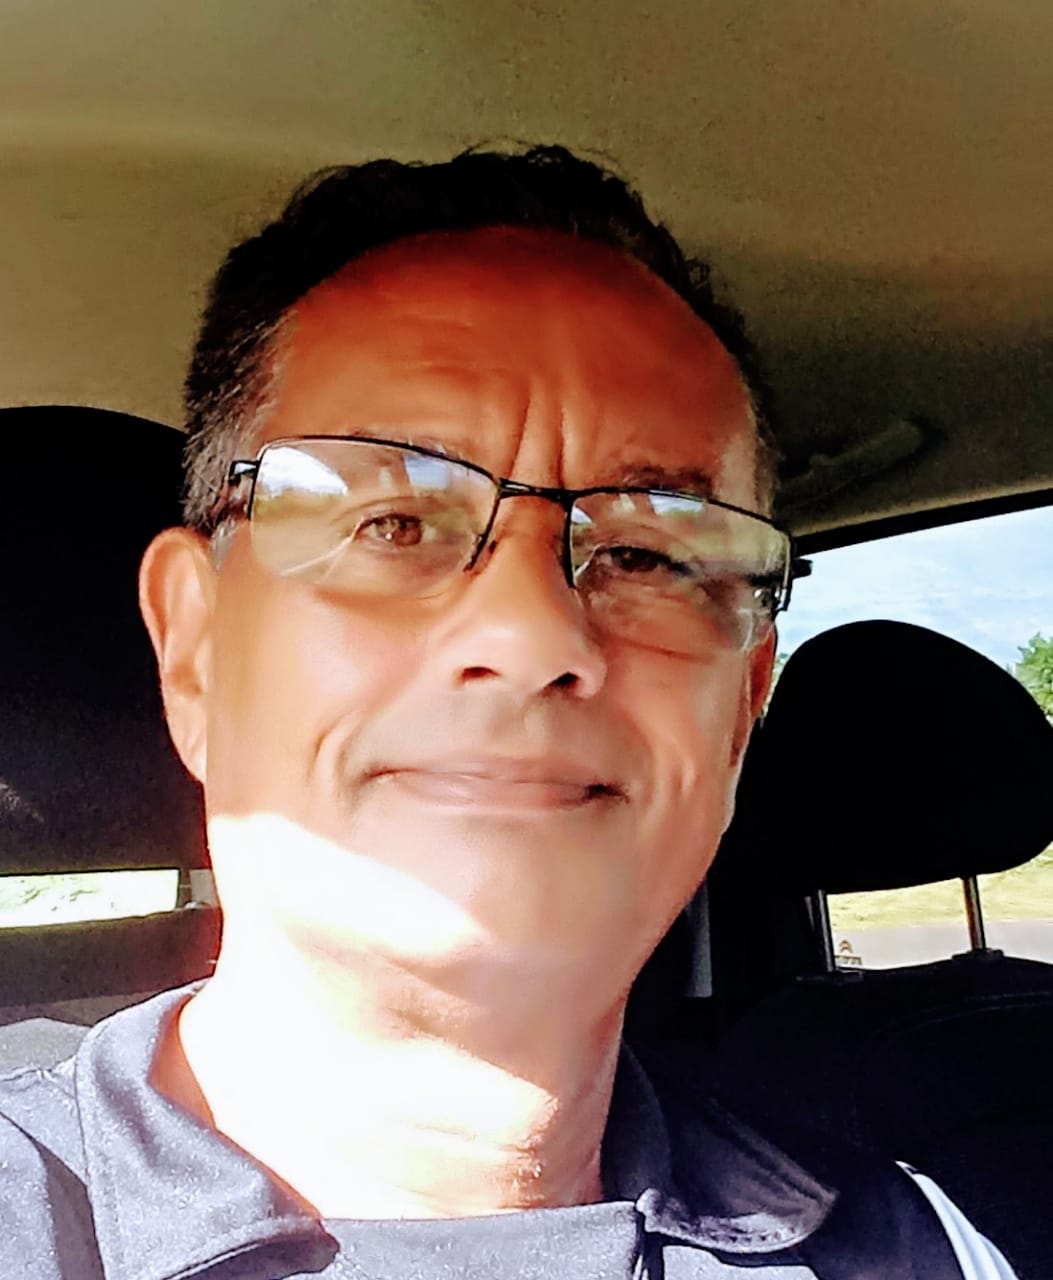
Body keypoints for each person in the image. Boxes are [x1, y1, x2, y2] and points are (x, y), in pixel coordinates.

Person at [0, 145, 1015, 1278]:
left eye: (646, 551)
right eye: (392, 522)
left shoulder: (925, 1245)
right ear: (194, 654)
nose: (533, 635)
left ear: (741, 708)